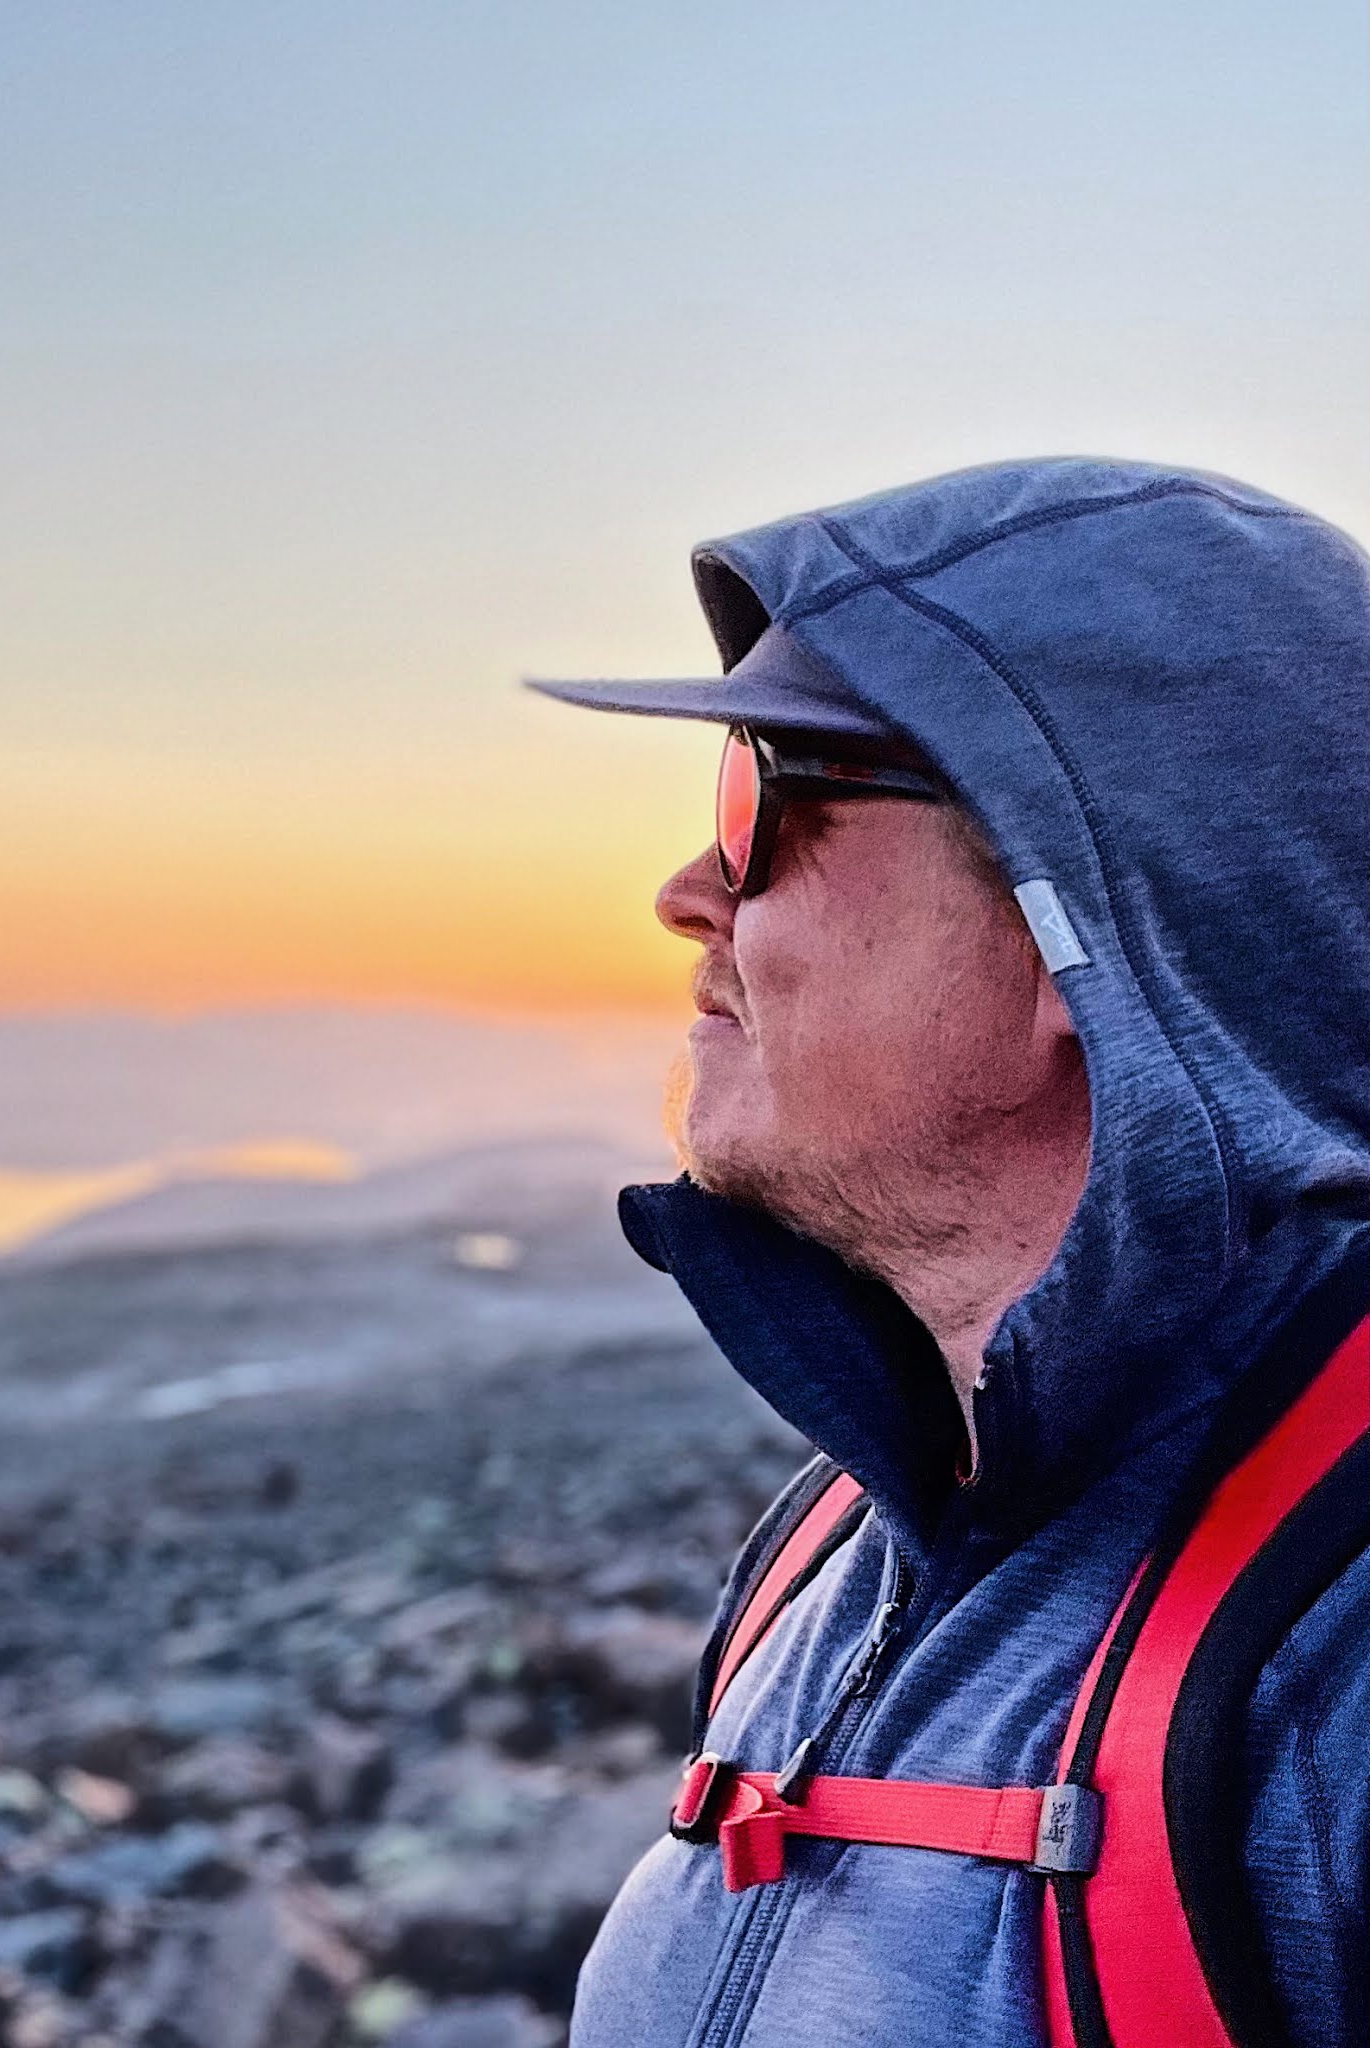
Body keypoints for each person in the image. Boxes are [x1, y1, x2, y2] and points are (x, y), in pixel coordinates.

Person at [526, 458, 1369, 2048]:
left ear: (1084, 928)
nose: (688, 893)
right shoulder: (826, 1537)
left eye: (765, 795)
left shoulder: (1342, 1658)